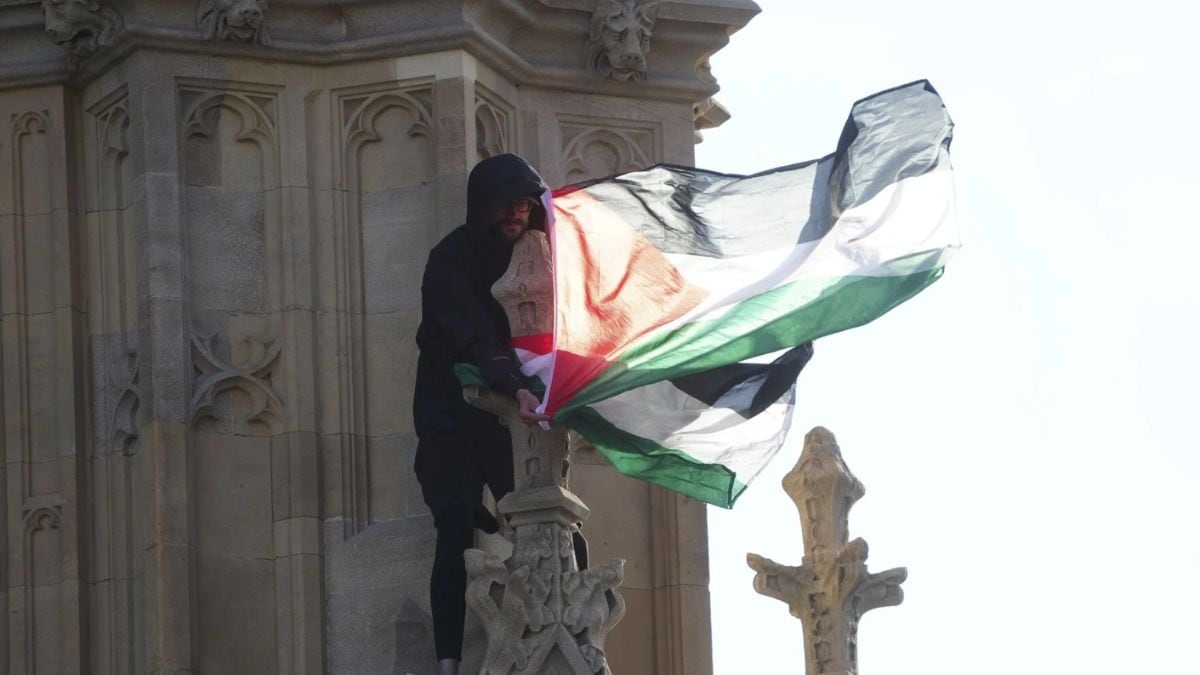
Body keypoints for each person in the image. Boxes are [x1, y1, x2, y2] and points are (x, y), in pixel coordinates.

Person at [412, 154, 552, 675]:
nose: (516, 216)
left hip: (510, 413)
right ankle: (448, 660)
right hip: (450, 410)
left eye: (524, 206)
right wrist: (514, 384)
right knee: (453, 527)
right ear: (484, 208)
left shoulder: (539, 255)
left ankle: (570, 634)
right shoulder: (451, 259)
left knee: (546, 513)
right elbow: (469, 334)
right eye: (506, 206)